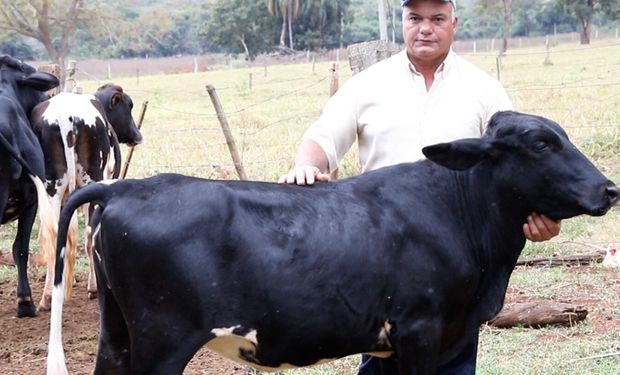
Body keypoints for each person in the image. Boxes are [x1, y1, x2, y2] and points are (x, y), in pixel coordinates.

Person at [279, 0, 561, 373]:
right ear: (403, 23)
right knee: (378, 356)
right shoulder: (367, 84)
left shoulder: (484, 90)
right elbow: (323, 139)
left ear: (454, 24)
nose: (425, 28)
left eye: (437, 19)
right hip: (380, 263)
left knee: (451, 360)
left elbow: (514, 169)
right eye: (415, 18)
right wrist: (305, 167)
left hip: (452, 271)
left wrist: (544, 219)